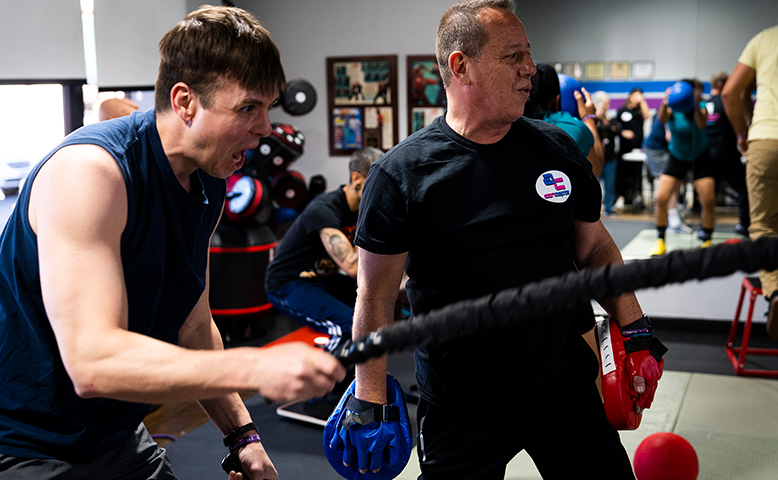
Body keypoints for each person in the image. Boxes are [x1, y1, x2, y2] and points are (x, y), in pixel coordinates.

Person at [0, 6, 345, 480]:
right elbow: (93, 363)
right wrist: (255, 366)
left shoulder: (210, 179)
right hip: (25, 444)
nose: (265, 128)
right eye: (248, 107)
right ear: (185, 102)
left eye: (268, 108)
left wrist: (243, 436)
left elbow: (194, 325)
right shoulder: (90, 173)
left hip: (118, 434)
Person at [349, 1, 663, 478]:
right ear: (462, 66)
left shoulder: (556, 149)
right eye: (512, 56)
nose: (529, 70)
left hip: (563, 388)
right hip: (460, 403)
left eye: (529, 55)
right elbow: (375, 295)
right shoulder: (401, 175)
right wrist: (368, 397)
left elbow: (595, 248)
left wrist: (635, 329)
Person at [265, 147, 384, 353]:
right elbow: (354, 267)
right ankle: (328, 383)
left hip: (322, 279)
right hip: (288, 283)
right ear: (357, 179)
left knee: (377, 303)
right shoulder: (324, 209)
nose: (382, 192)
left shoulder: (361, 208)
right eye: (377, 184)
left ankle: (361, 374)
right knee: (350, 325)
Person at [722, 24, 778, 338]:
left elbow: (731, 91)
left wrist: (743, 132)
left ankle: (775, 291)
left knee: (764, 226)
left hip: (767, 139)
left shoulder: (764, 39)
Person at [650, 78, 715, 256]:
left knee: (708, 199)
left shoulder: (701, 105)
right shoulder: (673, 106)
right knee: (661, 198)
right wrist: (665, 101)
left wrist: (693, 104)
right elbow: (662, 119)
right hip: (677, 157)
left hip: (700, 156)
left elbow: (702, 124)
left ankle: (707, 239)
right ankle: (661, 239)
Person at [525, 62, 605, 178]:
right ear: (557, 99)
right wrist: (589, 119)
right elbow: (595, 171)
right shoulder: (573, 128)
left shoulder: (509, 124)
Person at [707, 72, 750, 237]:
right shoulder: (727, 102)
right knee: (744, 189)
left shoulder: (705, 104)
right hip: (725, 151)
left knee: (708, 192)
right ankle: (744, 225)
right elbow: (737, 126)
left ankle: (705, 229)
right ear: (721, 85)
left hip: (708, 152)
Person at [643, 114, 691, 234]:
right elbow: (669, 136)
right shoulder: (670, 111)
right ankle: (673, 220)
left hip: (664, 148)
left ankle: (673, 214)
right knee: (670, 184)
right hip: (657, 150)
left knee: (675, 183)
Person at [615, 87, 650, 209]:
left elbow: (647, 116)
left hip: (638, 148)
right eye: (635, 96)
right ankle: (621, 196)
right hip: (624, 149)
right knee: (622, 173)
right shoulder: (623, 111)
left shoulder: (639, 112)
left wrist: (643, 102)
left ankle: (637, 196)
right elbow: (616, 127)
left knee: (637, 173)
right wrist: (623, 133)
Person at [593, 90, 620, 215]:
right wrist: (608, 128)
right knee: (594, 185)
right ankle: (593, 209)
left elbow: (616, 129)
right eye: (603, 104)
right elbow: (600, 129)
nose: (606, 107)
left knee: (610, 184)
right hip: (596, 157)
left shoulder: (610, 118)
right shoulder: (591, 120)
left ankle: (608, 208)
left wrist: (608, 128)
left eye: (607, 104)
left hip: (610, 157)